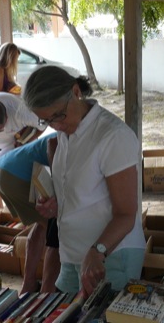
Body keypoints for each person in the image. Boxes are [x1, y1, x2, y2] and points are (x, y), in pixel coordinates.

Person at [23, 66, 146, 297]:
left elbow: (127, 214)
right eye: (46, 120)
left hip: (112, 253)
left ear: (76, 92)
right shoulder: (66, 130)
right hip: (74, 253)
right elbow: (84, 192)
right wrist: (58, 205)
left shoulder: (113, 136)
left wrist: (98, 251)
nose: (56, 126)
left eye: (58, 115)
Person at [0, 133, 60, 294]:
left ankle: (29, 284)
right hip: (15, 175)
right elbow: (53, 143)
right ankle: (47, 294)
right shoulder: (73, 130)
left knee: (43, 226)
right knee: (57, 234)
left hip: (2, 169)